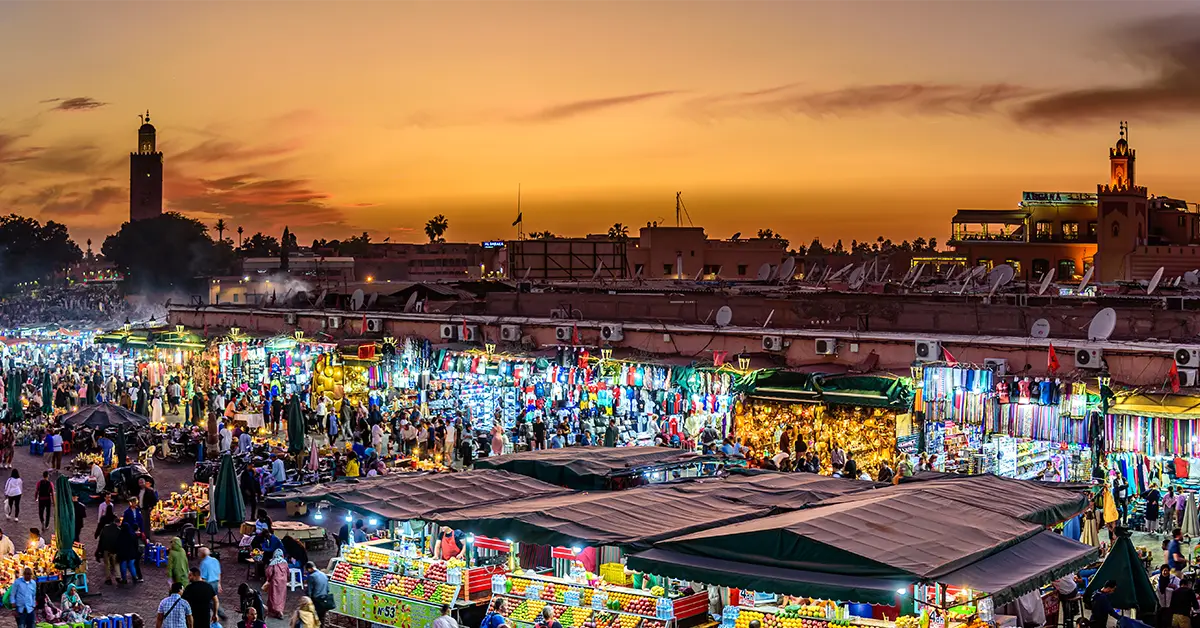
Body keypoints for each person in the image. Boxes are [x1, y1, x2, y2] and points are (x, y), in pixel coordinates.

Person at [96, 514, 121, 585]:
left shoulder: (105, 528)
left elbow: (101, 539)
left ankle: (108, 578)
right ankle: (118, 576)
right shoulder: (118, 530)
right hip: (115, 550)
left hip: (106, 549)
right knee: (116, 563)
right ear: (118, 523)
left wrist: (99, 549)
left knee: (107, 564)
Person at [264, 548, 288, 618]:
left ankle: (276, 610)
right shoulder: (285, 562)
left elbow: (269, 572)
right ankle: (280, 610)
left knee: (274, 596)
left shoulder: (273, 563)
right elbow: (287, 572)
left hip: (275, 581)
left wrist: (268, 579)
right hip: (283, 582)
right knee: (281, 596)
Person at [117, 519, 142, 584]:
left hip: (123, 553)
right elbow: (136, 544)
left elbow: (118, 544)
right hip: (131, 553)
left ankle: (124, 578)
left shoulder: (120, 535)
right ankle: (134, 577)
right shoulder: (132, 535)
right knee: (131, 565)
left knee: (123, 565)